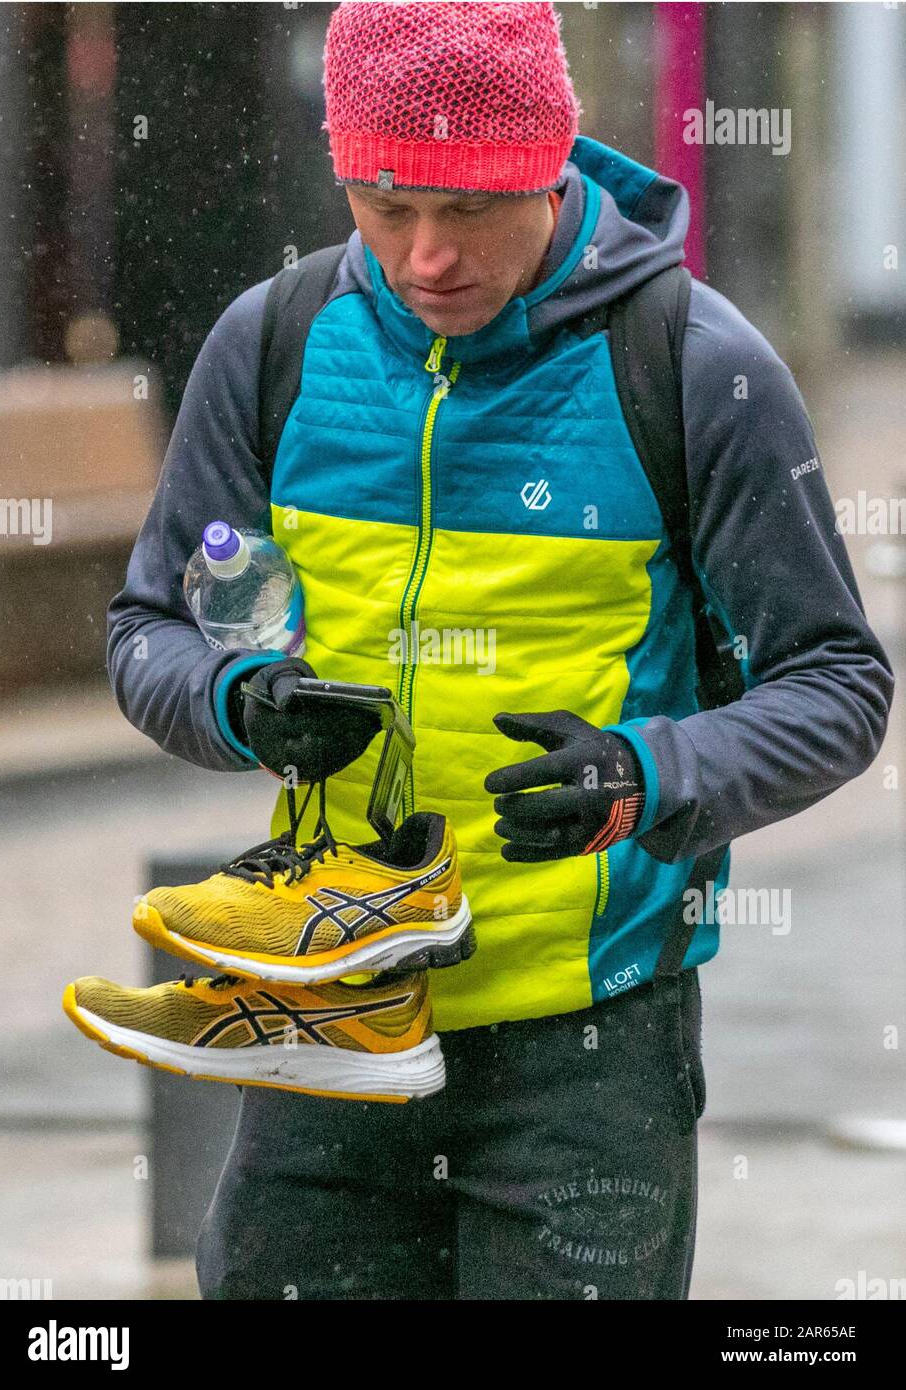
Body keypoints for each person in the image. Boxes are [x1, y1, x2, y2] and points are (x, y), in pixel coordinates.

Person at [106, 1, 893, 1300]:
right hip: (327, 1013)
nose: (425, 256)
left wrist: (648, 774)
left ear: (552, 165)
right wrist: (240, 701)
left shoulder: (696, 365)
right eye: (384, 200)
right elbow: (147, 631)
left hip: (586, 1055)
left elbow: (838, 685)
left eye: (471, 209)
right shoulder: (274, 343)